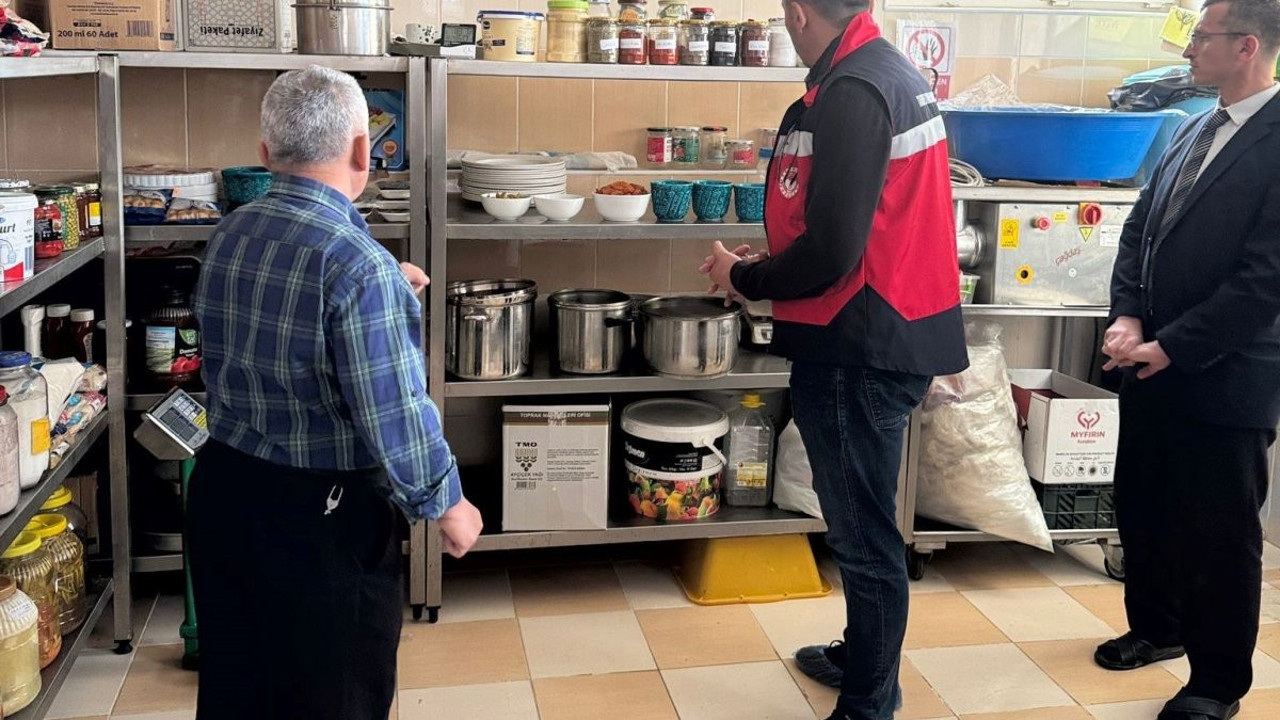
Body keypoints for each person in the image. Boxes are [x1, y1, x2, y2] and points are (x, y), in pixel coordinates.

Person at [188, 66, 483, 720]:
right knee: (335, 697)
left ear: (266, 155)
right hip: (318, 521)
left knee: (240, 690)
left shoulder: (232, 232)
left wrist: (380, 293)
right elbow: (394, 411)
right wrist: (446, 502)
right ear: (362, 150)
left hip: (226, 494)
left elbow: (253, 335)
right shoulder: (358, 265)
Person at [700, 0, 967, 716]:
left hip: (861, 345)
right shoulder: (878, 73)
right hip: (881, 327)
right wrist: (773, 263)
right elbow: (855, 225)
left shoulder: (855, 89)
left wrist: (744, 279)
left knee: (863, 533)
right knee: (863, 517)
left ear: (795, 12)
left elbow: (834, 251)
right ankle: (864, 653)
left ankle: (869, 699)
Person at [1094, 1, 1280, 717]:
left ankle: (1216, 684)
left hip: (1227, 375)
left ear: (1247, 46)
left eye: (1202, 36)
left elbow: (1265, 282)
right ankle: (1158, 629)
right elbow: (1141, 228)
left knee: (1219, 534)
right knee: (1145, 506)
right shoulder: (1195, 126)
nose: (1189, 49)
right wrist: (1128, 316)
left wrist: (1174, 344)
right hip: (1149, 361)